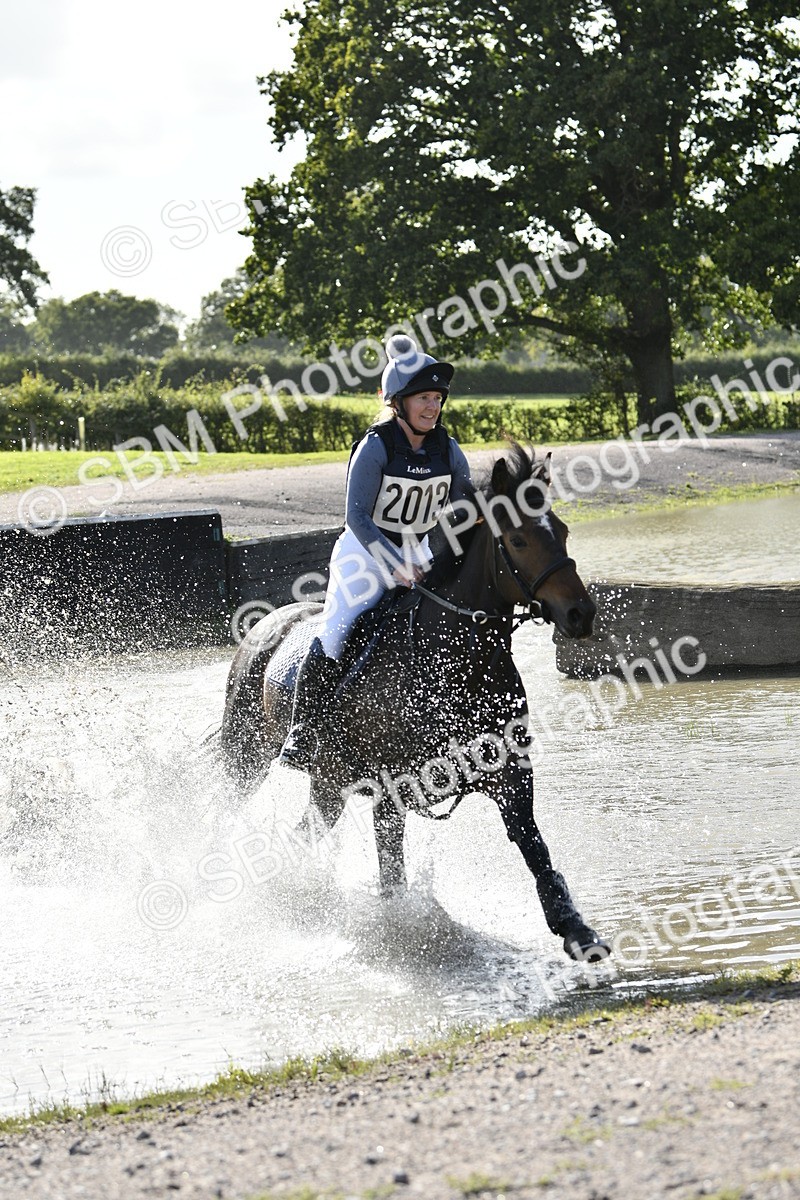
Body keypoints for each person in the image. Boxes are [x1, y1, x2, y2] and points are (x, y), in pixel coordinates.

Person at [278, 333, 473, 771]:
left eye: (438, 398)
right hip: (365, 555)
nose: (432, 407)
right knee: (337, 628)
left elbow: (465, 504)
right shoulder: (376, 446)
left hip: (420, 550)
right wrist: (395, 564)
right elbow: (358, 519)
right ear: (399, 402)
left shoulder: (449, 448)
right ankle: (302, 731)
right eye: (423, 397)